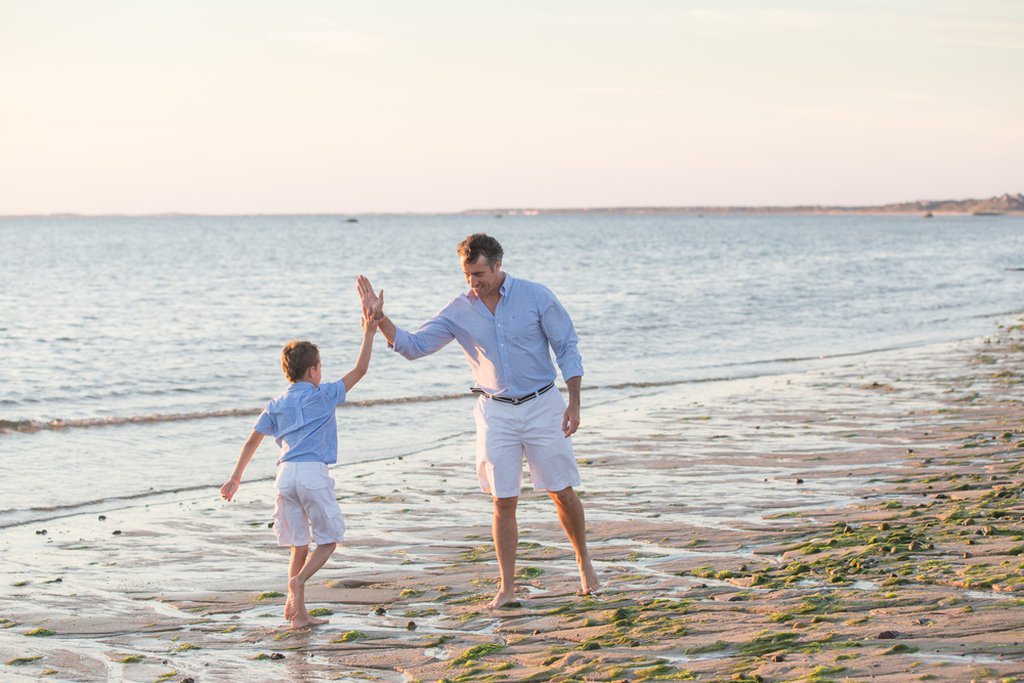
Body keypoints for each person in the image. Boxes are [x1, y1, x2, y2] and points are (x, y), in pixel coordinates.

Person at [357, 232, 599, 609]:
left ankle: (584, 563)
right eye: (467, 275)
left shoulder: (536, 296)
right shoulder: (459, 309)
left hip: (542, 404)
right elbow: (415, 346)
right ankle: (507, 587)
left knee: (561, 491)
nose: (473, 282)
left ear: (498, 265)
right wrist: (381, 319)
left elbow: (567, 347)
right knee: (503, 501)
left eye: (479, 273)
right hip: (495, 411)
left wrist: (575, 403)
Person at [220, 310, 377, 629]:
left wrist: (236, 477)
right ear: (312, 371)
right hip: (311, 474)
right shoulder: (324, 394)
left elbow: (253, 441)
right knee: (330, 540)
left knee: (299, 543)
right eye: (320, 368)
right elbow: (360, 369)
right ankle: (299, 581)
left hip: (284, 476)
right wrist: (369, 332)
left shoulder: (276, 403)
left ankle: (299, 614)